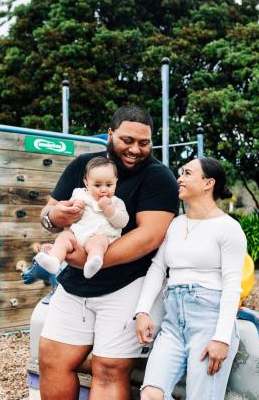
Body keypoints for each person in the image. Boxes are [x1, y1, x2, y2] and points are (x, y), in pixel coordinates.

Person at [38, 106, 179, 400]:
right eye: (127, 140)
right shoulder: (83, 166)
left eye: (144, 143)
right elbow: (48, 213)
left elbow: (149, 236)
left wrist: (89, 259)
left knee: (109, 369)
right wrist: (56, 217)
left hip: (128, 286)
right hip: (75, 284)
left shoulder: (159, 178)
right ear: (111, 134)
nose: (135, 149)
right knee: (53, 361)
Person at [134, 157, 247, 400]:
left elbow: (231, 285)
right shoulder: (176, 224)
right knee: (151, 394)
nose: (179, 179)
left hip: (209, 321)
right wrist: (142, 311)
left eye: (187, 173)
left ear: (208, 183)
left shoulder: (228, 228)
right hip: (173, 322)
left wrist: (221, 338)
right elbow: (157, 268)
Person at [33, 156, 129, 279]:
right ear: (86, 182)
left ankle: (93, 262)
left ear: (116, 181)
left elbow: (123, 222)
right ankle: (54, 260)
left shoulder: (116, 202)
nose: (104, 190)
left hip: (99, 236)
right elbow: (68, 208)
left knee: (98, 243)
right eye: (97, 185)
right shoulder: (79, 193)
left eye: (109, 185)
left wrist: (109, 210)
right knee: (63, 238)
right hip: (76, 235)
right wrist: (74, 206)